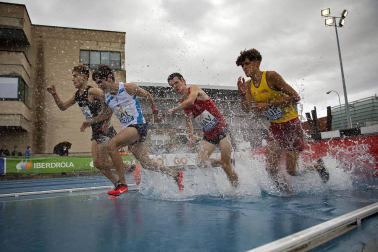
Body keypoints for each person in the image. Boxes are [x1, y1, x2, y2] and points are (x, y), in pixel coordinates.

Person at [81, 64, 184, 196]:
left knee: (111, 145)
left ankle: (122, 184)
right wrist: (90, 122)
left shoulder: (128, 87)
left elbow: (147, 95)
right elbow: (105, 114)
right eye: (97, 83)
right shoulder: (105, 96)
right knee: (146, 163)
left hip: (138, 125)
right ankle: (175, 174)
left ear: (110, 78)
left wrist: (155, 112)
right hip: (128, 129)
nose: (99, 85)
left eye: (101, 82)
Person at [235, 48, 329, 192]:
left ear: (257, 63)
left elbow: (296, 97)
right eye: (242, 66)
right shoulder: (248, 85)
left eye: (247, 64)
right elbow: (246, 109)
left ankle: (317, 165)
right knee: (271, 169)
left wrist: (270, 104)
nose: (244, 68)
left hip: (291, 125)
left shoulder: (271, 76)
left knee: (292, 171)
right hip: (275, 127)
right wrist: (242, 93)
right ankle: (287, 194)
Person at [47, 64, 140, 190]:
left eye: (75, 76)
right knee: (98, 163)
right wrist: (54, 94)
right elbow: (63, 107)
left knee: (104, 162)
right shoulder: (76, 95)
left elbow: (110, 101)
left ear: (84, 77)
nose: (73, 79)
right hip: (95, 130)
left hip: (104, 129)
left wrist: (107, 121)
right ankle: (123, 177)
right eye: (72, 76)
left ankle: (128, 173)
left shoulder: (93, 91)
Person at [166, 73, 239, 187]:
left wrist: (174, 109)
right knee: (200, 162)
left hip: (222, 130)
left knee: (226, 166)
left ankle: (236, 188)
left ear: (184, 81)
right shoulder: (182, 102)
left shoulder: (194, 89)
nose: (175, 87)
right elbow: (188, 120)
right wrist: (191, 136)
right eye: (172, 86)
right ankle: (222, 161)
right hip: (209, 135)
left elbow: (190, 101)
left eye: (176, 83)